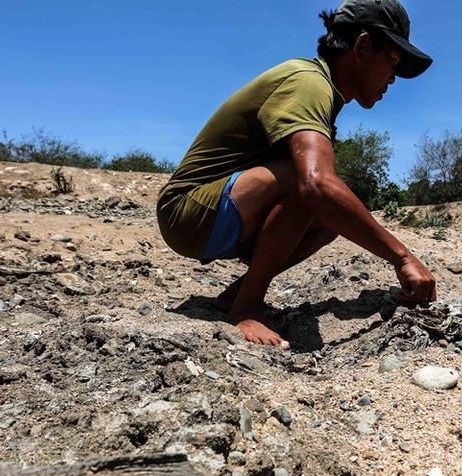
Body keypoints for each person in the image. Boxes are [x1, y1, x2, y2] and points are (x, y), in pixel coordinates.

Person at [157, 0, 437, 346]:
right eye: (392, 61)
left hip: (217, 215)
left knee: (331, 213)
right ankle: (246, 307)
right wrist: (403, 257)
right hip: (188, 213)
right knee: (315, 187)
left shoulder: (323, 91)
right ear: (362, 46)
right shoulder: (308, 82)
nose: (393, 77)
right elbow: (316, 185)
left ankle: (238, 292)